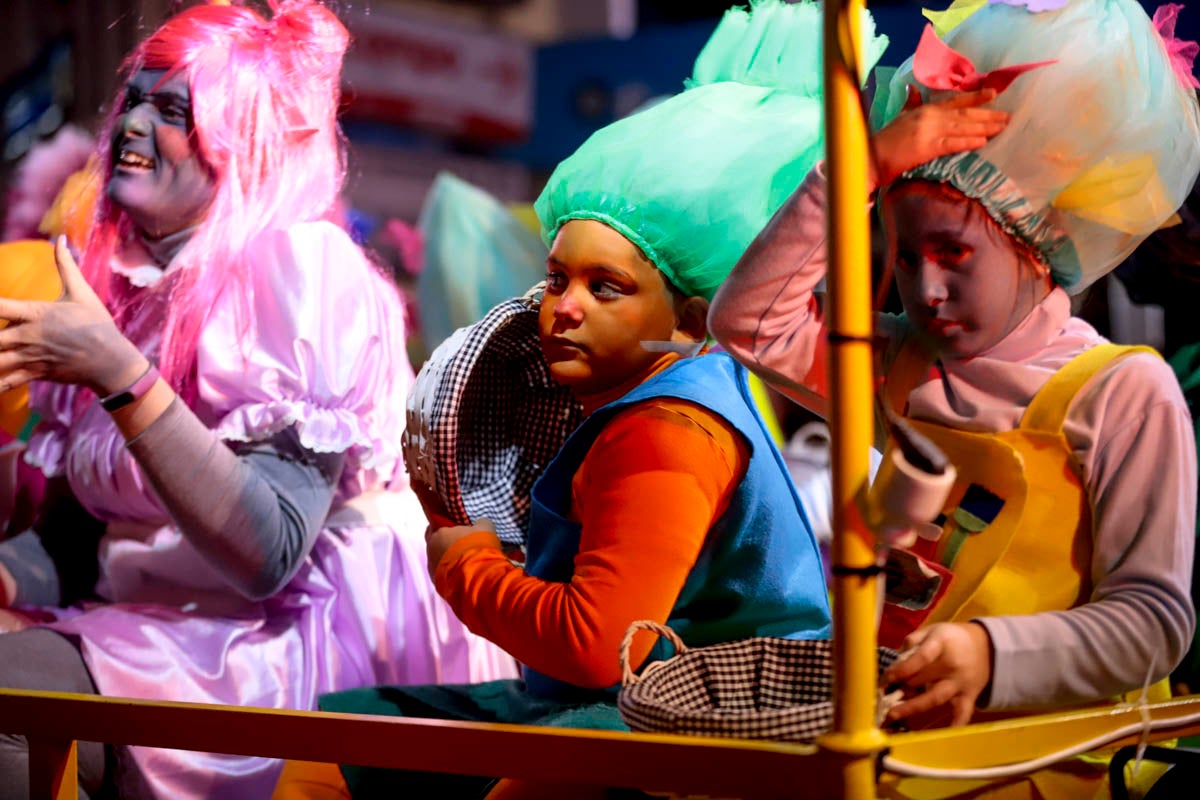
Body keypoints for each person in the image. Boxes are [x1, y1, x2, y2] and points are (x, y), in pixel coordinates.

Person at [272, 1, 886, 797]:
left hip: (705, 729)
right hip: (617, 701)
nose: (562, 307)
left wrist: (470, 568)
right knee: (344, 742)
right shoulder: (653, 397)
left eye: (609, 289)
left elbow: (602, 647)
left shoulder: (668, 429)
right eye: (559, 278)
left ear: (690, 316)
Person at [0, 2, 515, 798]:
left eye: (175, 110)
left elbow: (266, 554)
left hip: (291, 642)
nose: (135, 124)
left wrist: (121, 380)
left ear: (242, 139)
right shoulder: (126, 291)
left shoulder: (298, 270)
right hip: (162, 619)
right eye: (134, 99)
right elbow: (81, 532)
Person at [709, 0, 1198, 795]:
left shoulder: (1123, 393)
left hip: (1045, 767)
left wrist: (995, 655)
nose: (926, 290)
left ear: (1039, 248)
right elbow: (749, 325)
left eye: (954, 253)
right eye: (906, 257)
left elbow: (1154, 624)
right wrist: (860, 169)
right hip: (897, 756)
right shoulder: (897, 362)